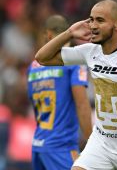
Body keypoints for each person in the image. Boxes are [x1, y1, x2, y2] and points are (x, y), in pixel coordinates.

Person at [35, 0, 117, 170]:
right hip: (102, 143)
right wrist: (69, 33)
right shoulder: (90, 51)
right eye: (91, 19)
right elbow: (42, 58)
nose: (93, 25)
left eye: (100, 20)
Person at [27, 15, 92, 170]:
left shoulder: (33, 66)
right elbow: (82, 104)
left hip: (38, 144)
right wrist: (92, 143)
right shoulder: (75, 62)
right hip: (61, 146)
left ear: (48, 34)